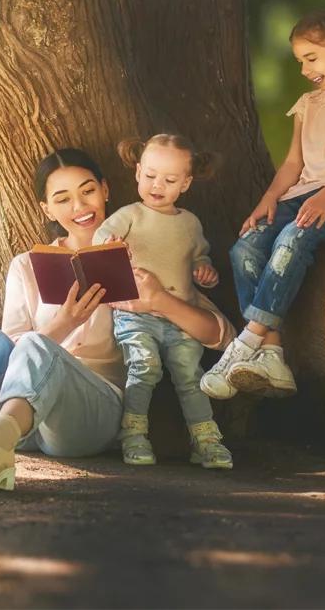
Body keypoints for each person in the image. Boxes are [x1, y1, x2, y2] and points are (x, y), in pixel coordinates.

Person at [0, 148, 234, 491]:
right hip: (14, 421)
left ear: (105, 189)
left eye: (87, 191)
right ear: (47, 209)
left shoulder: (145, 260)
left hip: (87, 417)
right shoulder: (27, 266)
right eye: (63, 199)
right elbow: (11, 353)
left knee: (36, 345)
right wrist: (66, 321)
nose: (79, 207)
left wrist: (160, 300)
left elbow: (222, 335)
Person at [202, 4, 325, 400]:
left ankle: (244, 344)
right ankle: (273, 354)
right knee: (245, 246)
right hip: (303, 195)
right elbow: (294, 164)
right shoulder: (309, 105)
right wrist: (269, 198)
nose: (304, 69)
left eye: (311, 58)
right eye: (300, 61)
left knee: (292, 239)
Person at [93, 134, 233, 469]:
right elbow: (100, 241)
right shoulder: (131, 215)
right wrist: (110, 246)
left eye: (170, 180)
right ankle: (133, 435)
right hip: (136, 314)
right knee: (144, 367)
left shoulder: (190, 223)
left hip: (179, 314)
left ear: (185, 183)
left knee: (190, 374)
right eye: (152, 176)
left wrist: (204, 271)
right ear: (138, 172)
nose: (158, 185)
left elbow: (200, 257)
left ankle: (207, 440)